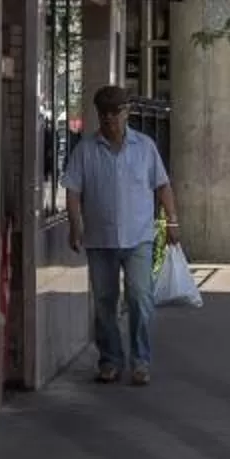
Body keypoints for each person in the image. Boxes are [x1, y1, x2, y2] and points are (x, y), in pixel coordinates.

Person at [64, 85, 180, 387]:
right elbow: (73, 190)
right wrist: (75, 225)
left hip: (138, 237)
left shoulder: (145, 147)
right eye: (104, 113)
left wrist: (172, 221)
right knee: (104, 302)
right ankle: (110, 360)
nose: (109, 119)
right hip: (100, 239)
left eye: (115, 112)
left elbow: (162, 185)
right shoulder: (86, 150)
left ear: (126, 113)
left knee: (140, 297)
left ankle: (140, 361)